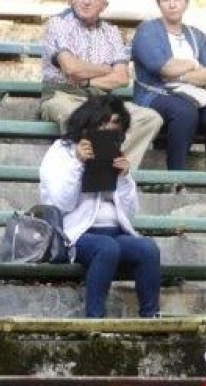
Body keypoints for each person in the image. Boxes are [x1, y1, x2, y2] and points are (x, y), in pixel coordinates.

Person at [39, 96, 160, 319]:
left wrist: (124, 178)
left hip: (115, 231)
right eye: (104, 123)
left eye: (115, 125)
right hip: (76, 234)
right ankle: (95, 319)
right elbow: (59, 203)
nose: (108, 130)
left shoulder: (113, 152)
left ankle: (151, 317)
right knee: (106, 248)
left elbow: (130, 212)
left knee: (147, 248)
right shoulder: (61, 152)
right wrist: (78, 164)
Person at [38, 0, 162, 170]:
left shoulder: (112, 32)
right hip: (62, 95)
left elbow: (121, 78)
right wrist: (105, 69)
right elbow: (71, 68)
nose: (86, 2)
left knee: (149, 118)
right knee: (78, 115)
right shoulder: (58, 24)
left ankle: (113, 170)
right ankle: (87, 170)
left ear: (104, 5)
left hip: (101, 99)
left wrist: (87, 80)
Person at [129, 0, 206, 172]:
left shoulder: (197, 36)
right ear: (159, 4)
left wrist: (181, 75)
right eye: (166, 0)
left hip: (193, 96)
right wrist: (194, 64)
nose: (172, 5)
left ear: (186, 3)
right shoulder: (147, 31)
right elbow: (163, 68)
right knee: (184, 111)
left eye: (178, 0)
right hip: (155, 95)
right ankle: (176, 176)